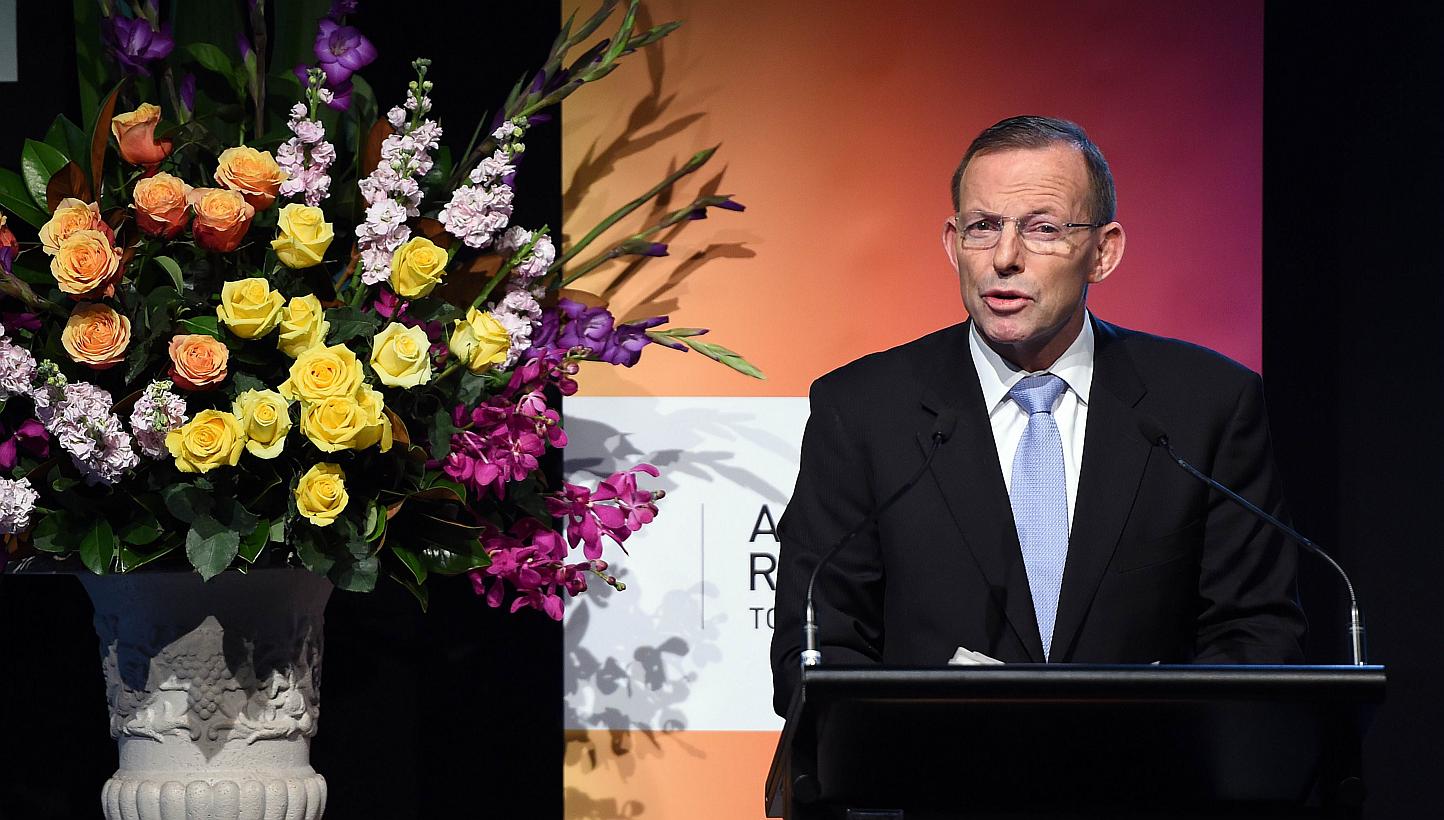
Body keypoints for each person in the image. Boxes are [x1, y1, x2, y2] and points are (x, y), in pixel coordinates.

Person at [770, 116, 1306, 717]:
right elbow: (812, 649)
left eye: (1042, 229)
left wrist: (1156, 725)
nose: (1005, 258)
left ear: (1103, 252)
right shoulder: (863, 409)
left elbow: (1258, 633)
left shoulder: (1206, 405)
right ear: (952, 243)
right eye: (983, 227)